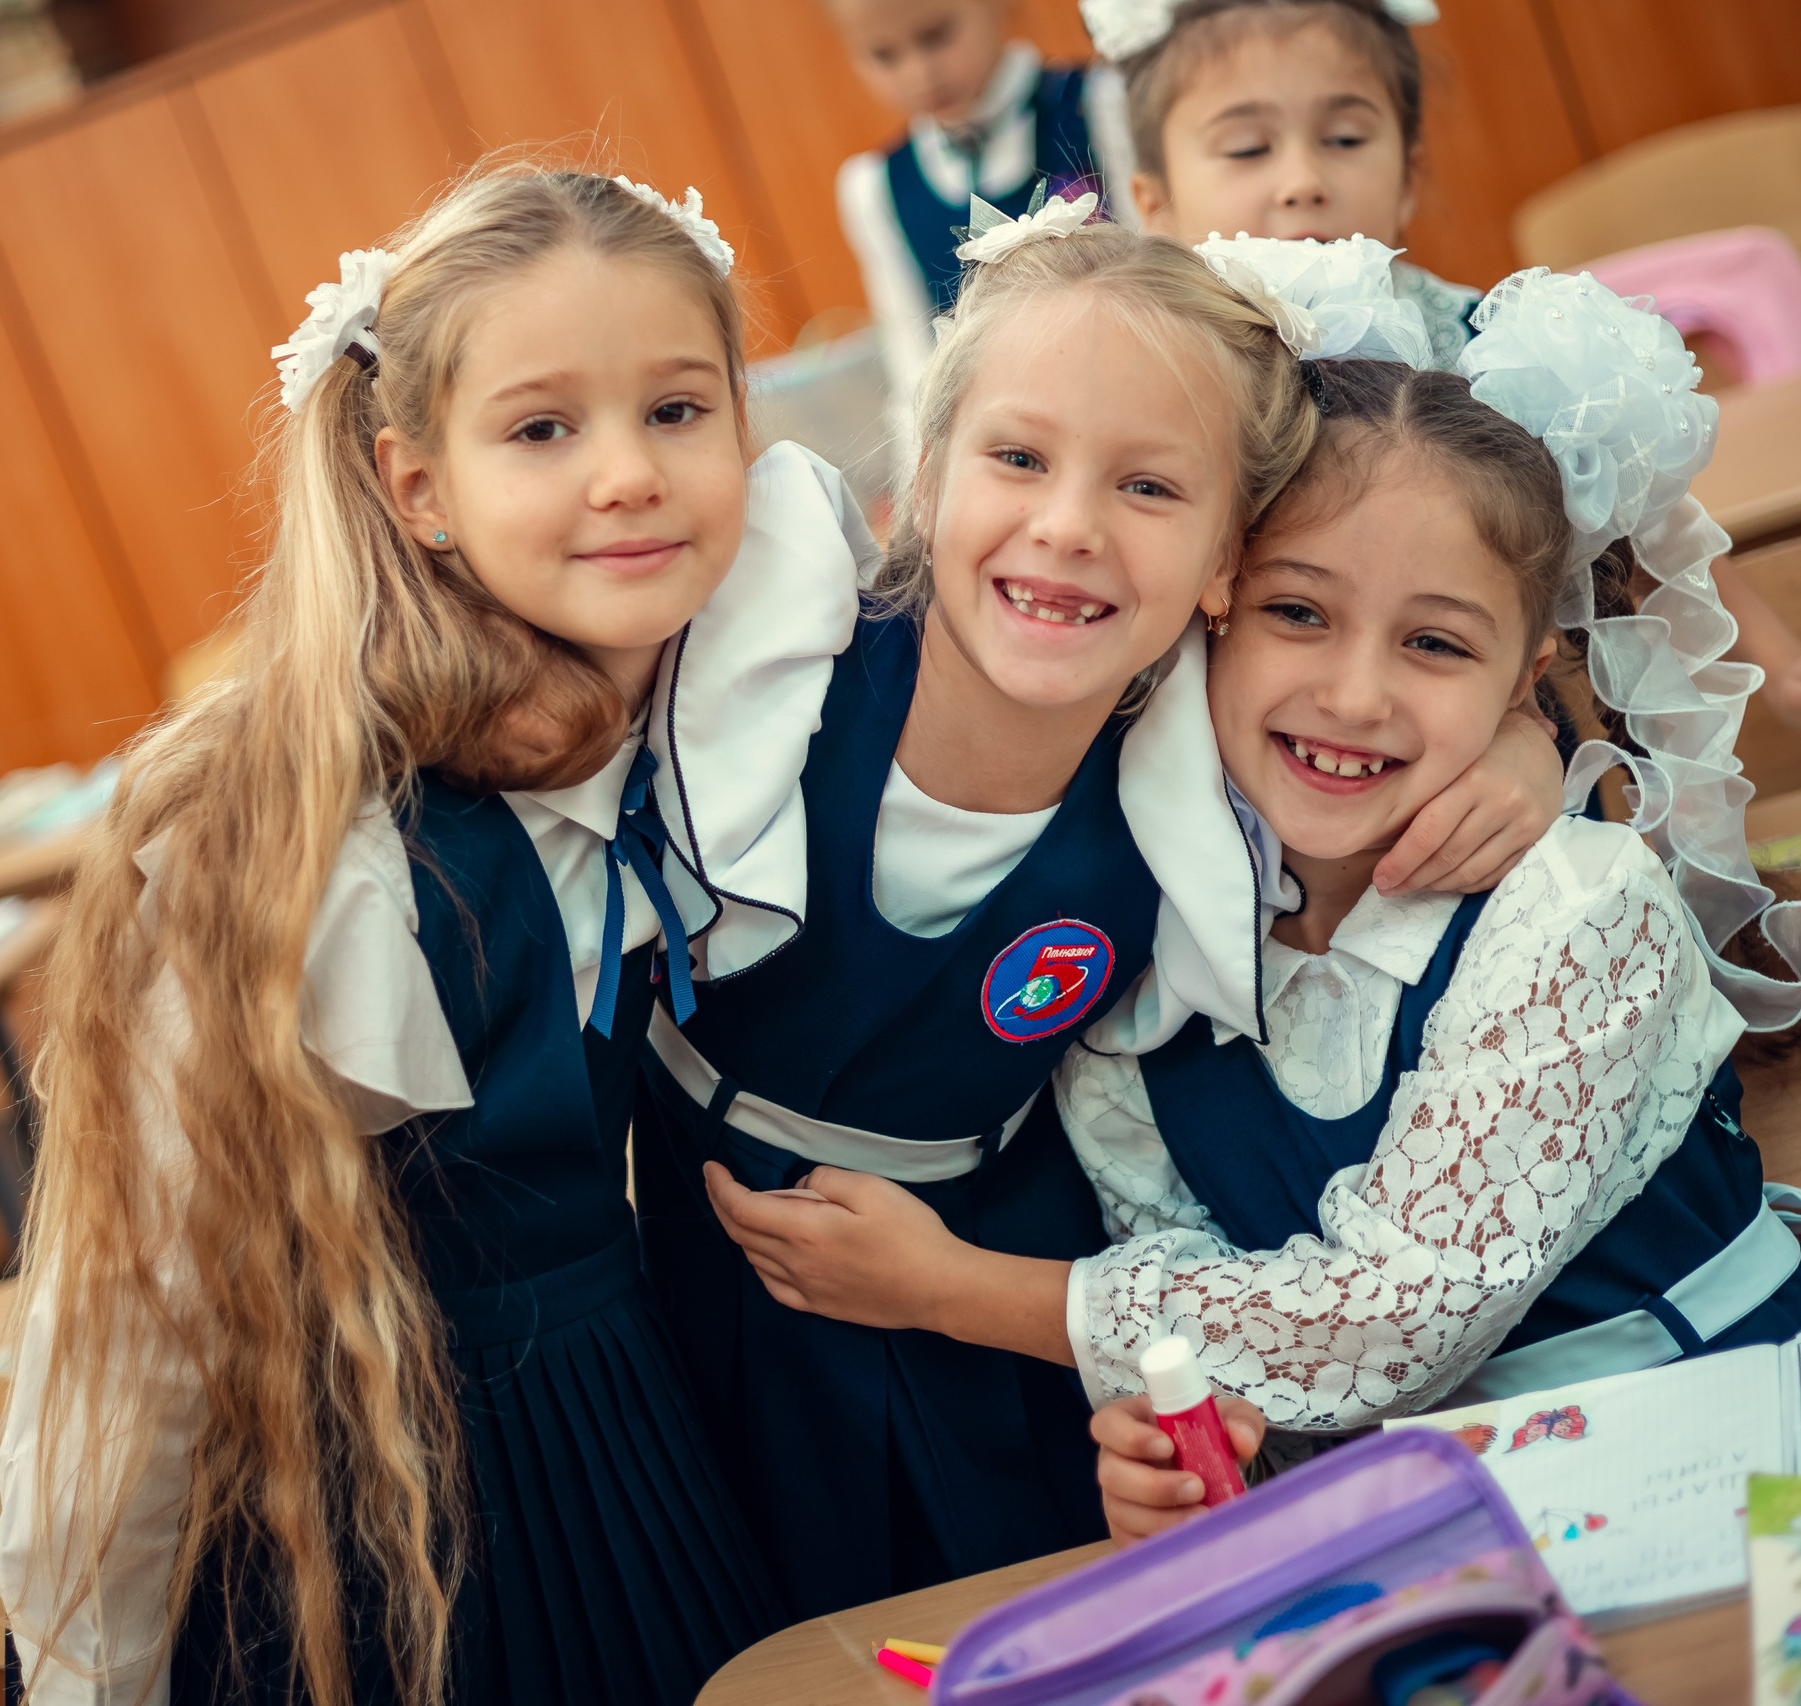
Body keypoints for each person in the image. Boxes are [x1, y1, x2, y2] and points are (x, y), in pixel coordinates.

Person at [699, 250, 1801, 1545]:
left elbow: (1392, 1323)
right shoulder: (1158, 932)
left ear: (1525, 679)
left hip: (1737, 1452)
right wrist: (1191, 1442)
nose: (1356, 695)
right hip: (1418, 1524)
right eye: (1298, 612)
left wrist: (956, 1288)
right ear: (1213, 610)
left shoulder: (1577, 911)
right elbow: (1218, 1305)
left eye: (1434, 644)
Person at [634, 200, 1567, 1622]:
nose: (1066, 529)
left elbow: (1421, 661)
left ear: (1222, 570)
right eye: (1017, 457)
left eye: (1148, 488)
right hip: (698, 1268)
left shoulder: (1208, 772)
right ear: (930, 475)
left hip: (993, 1283)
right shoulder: (767, 663)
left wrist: (1530, 735)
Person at [0, 165, 801, 1706]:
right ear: (417, 486)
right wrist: (84, 1675)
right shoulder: (317, 845)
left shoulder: (715, 692)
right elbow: (128, 1323)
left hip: (642, 1462)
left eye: (680, 411)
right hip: (396, 1549)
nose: (629, 473)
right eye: (543, 428)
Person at [1081, 0, 1801, 738]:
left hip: (1482, 743)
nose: (1302, 181)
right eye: (1247, 148)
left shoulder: (1489, 339)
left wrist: (1780, 660)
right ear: (1155, 204)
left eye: (1344, 138)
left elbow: (1642, 517)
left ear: (1408, 176)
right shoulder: (1160, 373)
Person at [828, 0, 1133, 446]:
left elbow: (1169, 260)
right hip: (1008, 446)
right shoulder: (874, 187)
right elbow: (915, 368)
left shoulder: (1100, 105)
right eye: (883, 55)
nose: (917, 73)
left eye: (936, 36)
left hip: (1128, 393)